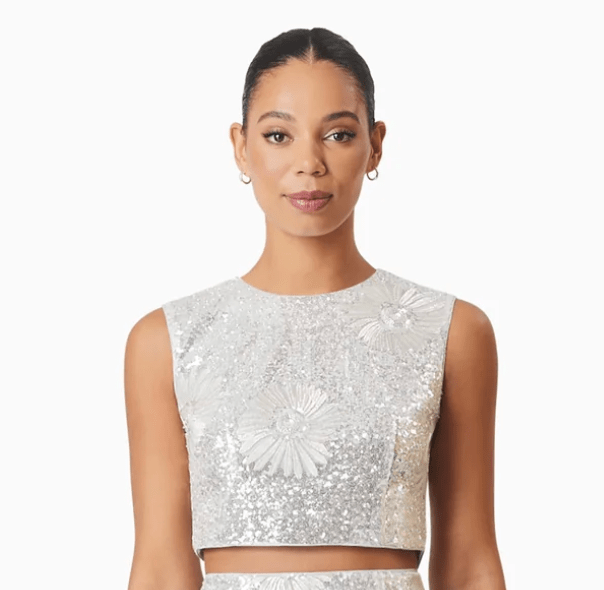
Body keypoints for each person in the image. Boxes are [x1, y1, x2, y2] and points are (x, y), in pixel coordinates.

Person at [124, 27, 506, 590]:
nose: (308, 162)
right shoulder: (171, 340)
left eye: (338, 134)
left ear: (375, 145)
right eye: (278, 135)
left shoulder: (450, 332)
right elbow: (159, 568)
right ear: (241, 146)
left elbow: (470, 559)